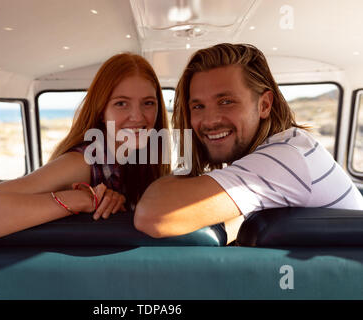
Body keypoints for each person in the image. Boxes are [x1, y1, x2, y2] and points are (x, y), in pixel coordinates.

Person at [133, 43, 363, 243]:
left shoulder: (284, 158)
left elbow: (153, 216)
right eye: (198, 106)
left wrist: (184, 168)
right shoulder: (286, 148)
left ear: (264, 105)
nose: (210, 121)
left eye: (226, 101)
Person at [0, 53, 171, 241]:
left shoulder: (142, 161)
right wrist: (83, 200)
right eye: (121, 103)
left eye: (148, 103)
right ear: (102, 112)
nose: (138, 116)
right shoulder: (83, 161)